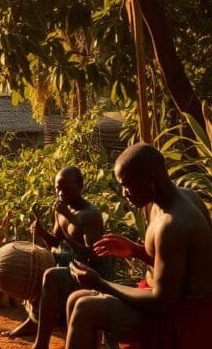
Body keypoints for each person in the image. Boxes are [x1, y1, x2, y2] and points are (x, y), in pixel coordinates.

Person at [64, 143, 212, 349]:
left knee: (84, 309)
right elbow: (178, 265)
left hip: (183, 318)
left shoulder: (174, 223)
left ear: (149, 181)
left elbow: (162, 302)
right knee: (75, 298)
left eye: (127, 185)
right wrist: (136, 250)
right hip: (165, 300)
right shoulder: (177, 198)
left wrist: (99, 283)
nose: (124, 193)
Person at [1, 166, 109, 348]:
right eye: (57, 188)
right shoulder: (60, 209)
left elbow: (93, 256)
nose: (60, 193)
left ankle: (41, 343)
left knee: (51, 276)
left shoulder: (90, 215)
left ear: (81, 187)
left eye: (67, 188)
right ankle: (33, 321)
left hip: (90, 271)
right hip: (68, 265)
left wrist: (70, 220)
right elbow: (56, 242)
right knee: (39, 268)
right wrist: (42, 232)